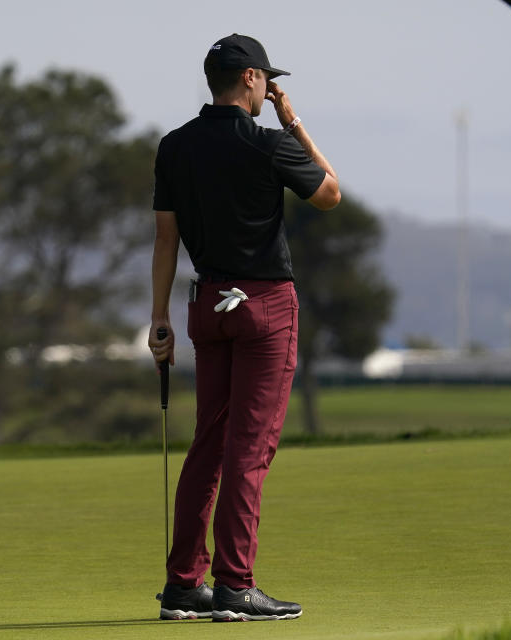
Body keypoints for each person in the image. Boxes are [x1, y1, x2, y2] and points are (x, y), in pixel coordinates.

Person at [148, 33, 341, 622]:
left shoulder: (174, 146)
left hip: (207, 304)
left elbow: (165, 237)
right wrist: (296, 124)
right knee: (249, 451)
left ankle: (184, 584)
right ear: (252, 79)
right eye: (267, 81)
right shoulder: (269, 144)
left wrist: (158, 319)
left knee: (209, 443)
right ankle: (235, 585)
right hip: (264, 307)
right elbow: (331, 193)